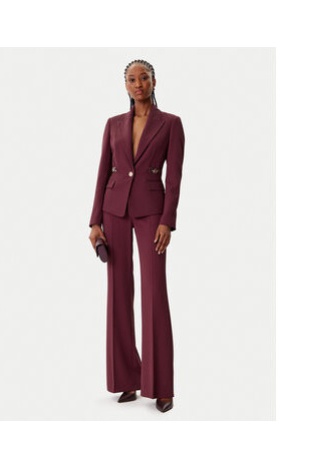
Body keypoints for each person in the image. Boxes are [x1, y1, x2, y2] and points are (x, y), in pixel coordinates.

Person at [88, 59, 185, 413]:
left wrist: (167, 221)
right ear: (125, 85)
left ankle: (161, 386)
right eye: (131, 79)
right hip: (113, 209)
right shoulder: (113, 124)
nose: (138, 83)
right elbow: (103, 171)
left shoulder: (171, 124)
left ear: (154, 81)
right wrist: (94, 221)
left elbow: (174, 178)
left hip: (151, 212)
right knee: (118, 292)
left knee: (154, 291)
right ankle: (127, 379)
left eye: (144, 77)